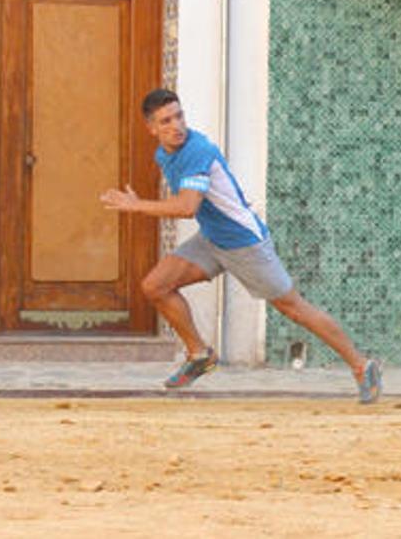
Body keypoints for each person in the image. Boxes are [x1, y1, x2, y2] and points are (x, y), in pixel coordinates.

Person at [101, 88, 382, 404]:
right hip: (212, 238)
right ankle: (199, 355)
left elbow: (186, 207)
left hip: (244, 243)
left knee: (294, 308)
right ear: (152, 128)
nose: (176, 125)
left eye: (179, 116)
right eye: (166, 121)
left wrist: (137, 206)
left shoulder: (198, 149)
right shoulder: (164, 155)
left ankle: (362, 366)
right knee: (156, 286)